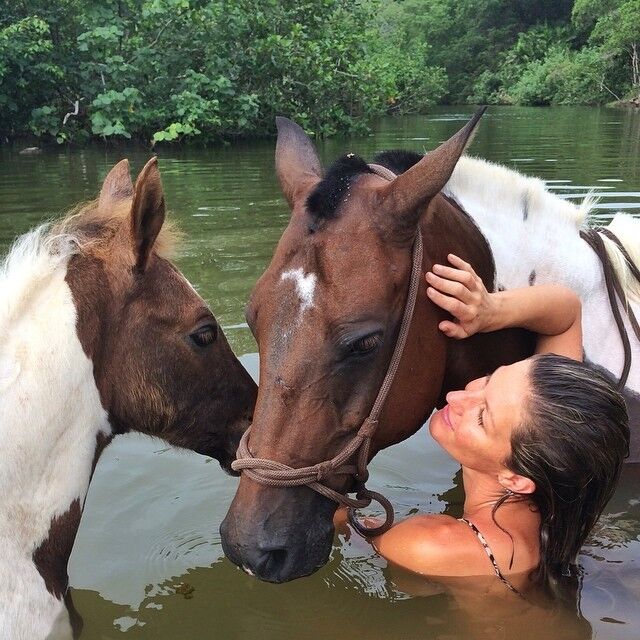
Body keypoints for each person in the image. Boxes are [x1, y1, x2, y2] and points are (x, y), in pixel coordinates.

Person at [343, 254, 630, 597]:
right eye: (489, 380)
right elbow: (566, 311)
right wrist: (491, 310)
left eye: (482, 417)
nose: (457, 398)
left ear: (516, 479)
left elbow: (337, 521)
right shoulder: (549, 444)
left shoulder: (432, 546)